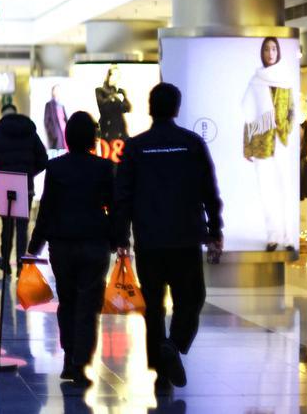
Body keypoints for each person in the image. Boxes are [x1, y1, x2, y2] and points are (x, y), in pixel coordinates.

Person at [113, 82, 223, 394]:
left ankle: (159, 373)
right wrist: (215, 230)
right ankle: (173, 345)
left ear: (150, 108)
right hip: (186, 238)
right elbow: (209, 191)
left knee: (153, 306)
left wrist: (121, 236)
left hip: (149, 240)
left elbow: (123, 195)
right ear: (176, 108)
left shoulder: (135, 147)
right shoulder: (191, 144)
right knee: (192, 298)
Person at [26, 112, 113, 388]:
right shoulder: (103, 167)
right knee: (89, 305)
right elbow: (115, 207)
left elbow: (47, 210)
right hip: (94, 244)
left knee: (68, 302)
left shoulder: (56, 168)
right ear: (92, 137)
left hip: (62, 246)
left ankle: (69, 357)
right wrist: (119, 239)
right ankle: (80, 362)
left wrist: (33, 247)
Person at [243, 37, 297, 251]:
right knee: (267, 191)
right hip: (262, 142)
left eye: (274, 48)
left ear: (278, 52)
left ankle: (288, 237)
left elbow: (292, 110)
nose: (271, 52)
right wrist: (247, 146)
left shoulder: (285, 78)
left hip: (282, 141)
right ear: (262, 53)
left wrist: (286, 127)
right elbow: (248, 114)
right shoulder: (255, 81)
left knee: (286, 189)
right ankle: (272, 236)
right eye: (267, 49)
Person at [0, 104, 48, 276]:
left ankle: (5, 262)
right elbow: (43, 159)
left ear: (3, 116)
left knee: (7, 225)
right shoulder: (30, 133)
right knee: (22, 226)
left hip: (5, 184)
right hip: (25, 185)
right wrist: (29, 173)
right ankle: (21, 263)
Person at [95, 66, 131, 142]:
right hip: (107, 128)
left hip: (120, 129)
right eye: (112, 75)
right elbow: (102, 106)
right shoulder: (100, 91)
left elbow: (127, 108)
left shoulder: (118, 93)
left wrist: (125, 96)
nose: (115, 79)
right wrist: (113, 96)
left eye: (117, 76)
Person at [43, 84, 68, 150]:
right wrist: (52, 133)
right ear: (53, 91)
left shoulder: (61, 104)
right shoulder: (49, 105)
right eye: (56, 90)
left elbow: (65, 119)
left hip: (64, 131)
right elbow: (46, 121)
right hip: (56, 133)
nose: (57, 92)